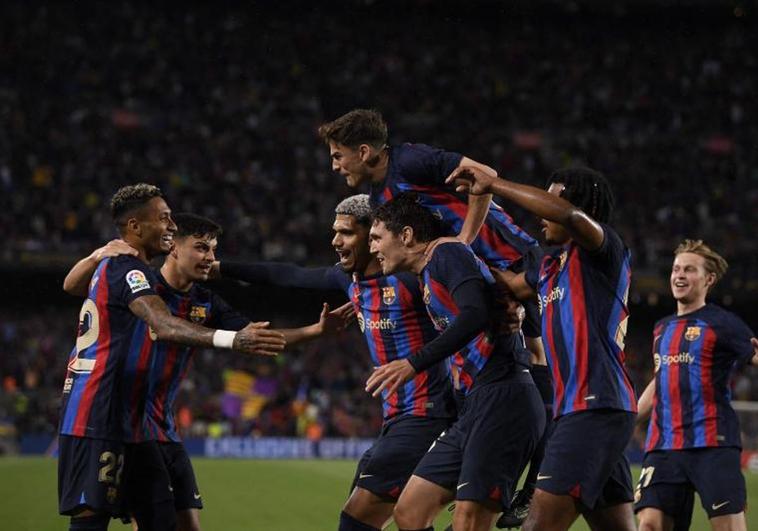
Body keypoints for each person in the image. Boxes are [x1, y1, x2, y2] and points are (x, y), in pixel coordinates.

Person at [320, 109, 553, 525]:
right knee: (523, 352)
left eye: (339, 156)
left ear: (365, 151)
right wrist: (362, 296)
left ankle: (535, 481)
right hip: (482, 278)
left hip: (513, 260)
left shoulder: (410, 161)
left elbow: (483, 176)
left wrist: (463, 241)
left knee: (538, 357)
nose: (335, 165)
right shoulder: (381, 202)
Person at [63, 212, 349, 531]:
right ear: (172, 246)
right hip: (120, 425)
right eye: (200, 248)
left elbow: (257, 339)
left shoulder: (205, 302)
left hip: (164, 428)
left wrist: (316, 331)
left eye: (212, 250)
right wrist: (96, 256)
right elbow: (76, 286)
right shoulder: (140, 284)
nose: (210, 258)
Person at [215, 195, 455, 531]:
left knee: (355, 521)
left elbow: (462, 318)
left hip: (427, 412)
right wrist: (219, 267)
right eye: (334, 232)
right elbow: (284, 274)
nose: (335, 241)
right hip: (396, 416)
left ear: (374, 237)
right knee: (403, 519)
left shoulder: (413, 280)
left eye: (346, 233)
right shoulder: (348, 280)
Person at [448, 166, 638, 531]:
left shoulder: (604, 250)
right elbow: (509, 285)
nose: (541, 213)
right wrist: (453, 250)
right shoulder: (551, 267)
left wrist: (496, 185)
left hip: (594, 406)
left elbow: (567, 214)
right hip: (580, 410)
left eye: (551, 200)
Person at [365, 193, 545, 531]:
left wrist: (412, 363)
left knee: (468, 522)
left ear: (405, 235)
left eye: (377, 238)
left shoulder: (447, 253)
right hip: (475, 405)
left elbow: (475, 313)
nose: (372, 247)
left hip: (504, 397)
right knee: (409, 511)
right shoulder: (428, 274)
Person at [634, 240, 758, 531]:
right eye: (676, 269)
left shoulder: (723, 323)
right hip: (664, 445)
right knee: (649, 525)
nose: (679, 275)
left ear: (709, 279)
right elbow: (660, 378)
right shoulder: (661, 327)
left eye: (689, 270)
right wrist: (627, 418)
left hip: (712, 443)